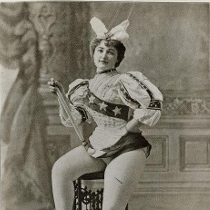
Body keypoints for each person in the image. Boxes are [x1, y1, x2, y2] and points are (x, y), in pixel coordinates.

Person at [48, 17, 163, 210]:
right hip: (99, 144)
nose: (104, 56)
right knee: (60, 170)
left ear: (117, 58)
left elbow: (152, 104)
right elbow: (75, 119)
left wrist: (130, 127)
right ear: (93, 54)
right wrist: (62, 97)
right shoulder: (83, 87)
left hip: (128, 148)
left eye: (110, 52)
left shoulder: (124, 81)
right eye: (100, 50)